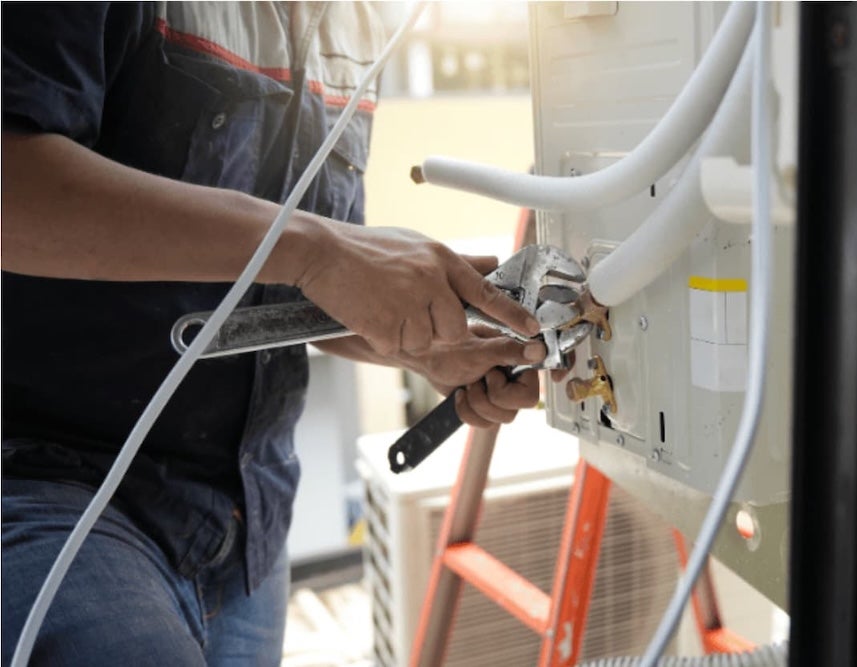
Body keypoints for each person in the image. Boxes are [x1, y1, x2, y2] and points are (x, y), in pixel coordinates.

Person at [1, 3, 546, 664]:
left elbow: (300, 284)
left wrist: (426, 343)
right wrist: (319, 248)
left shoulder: (359, 21)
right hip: (51, 490)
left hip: (246, 537)